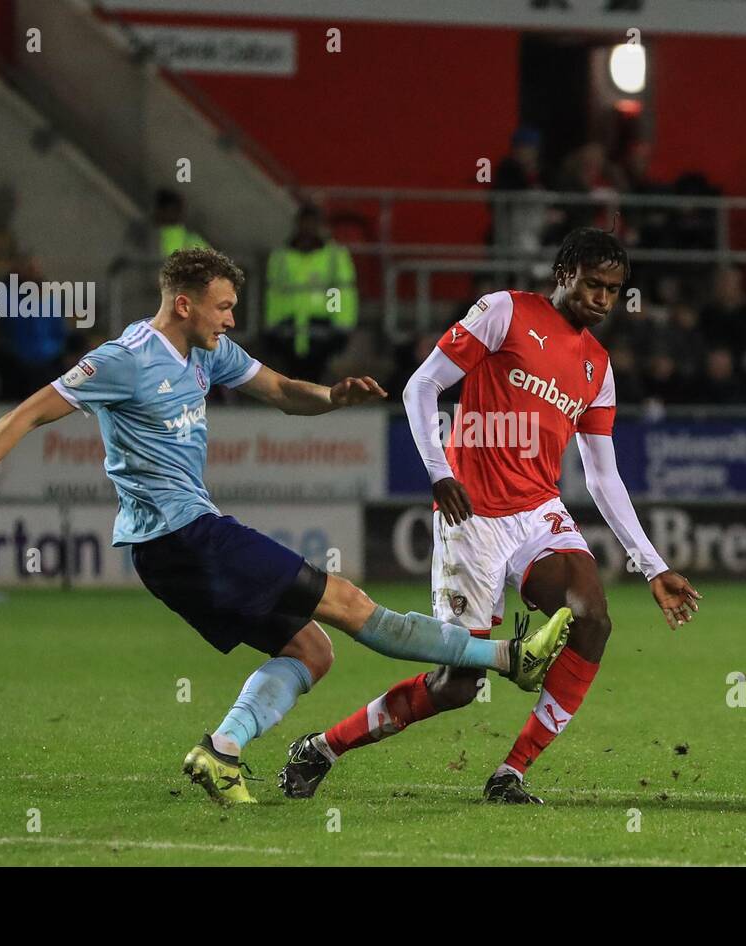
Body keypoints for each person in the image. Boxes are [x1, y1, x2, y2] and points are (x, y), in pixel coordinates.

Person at [0, 247, 571, 807]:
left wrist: (331, 397)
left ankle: (219, 752)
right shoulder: (125, 359)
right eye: (223, 307)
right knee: (347, 603)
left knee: (312, 652)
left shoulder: (210, 354)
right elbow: (28, 413)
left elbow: (283, 390)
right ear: (184, 305)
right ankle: (509, 658)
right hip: (184, 537)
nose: (231, 319)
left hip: (168, 553)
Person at [278, 228, 700, 805]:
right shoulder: (503, 312)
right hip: (470, 517)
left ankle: (512, 772)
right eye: (593, 285)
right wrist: (439, 471)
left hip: (537, 514)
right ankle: (325, 746)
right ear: (563, 275)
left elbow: (603, 476)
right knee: (455, 686)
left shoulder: (597, 368)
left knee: (593, 618)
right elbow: (421, 386)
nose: (603, 299)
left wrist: (652, 567)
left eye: (613, 290)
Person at [262, 203, 357, 382]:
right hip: (288, 326)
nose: (308, 228)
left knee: (317, 378)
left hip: (322, 325)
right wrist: (272, 324)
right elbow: (274, 294)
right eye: (304, 223)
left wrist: (338, 323)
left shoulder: (334, 256)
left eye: (313, 223)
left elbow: (337, 292)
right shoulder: (281, 256)